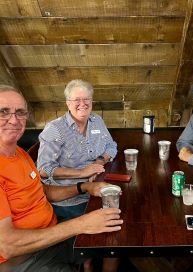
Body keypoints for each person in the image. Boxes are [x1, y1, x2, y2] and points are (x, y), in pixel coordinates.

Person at [0, 85, 123, 271]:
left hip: (52, 236)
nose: (14, 120)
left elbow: (44, 191)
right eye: (3, 112)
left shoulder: (19, 153)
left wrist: (84, 187)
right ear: (67, 103)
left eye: (20, 112)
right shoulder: (54, 129)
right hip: (24, 258)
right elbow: (8, 246)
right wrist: (82, 223)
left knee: (113, 236)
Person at [36, 79, 118, 272]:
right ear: (67, 103)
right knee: (111, 227)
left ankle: (97, 260)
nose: (83, 104)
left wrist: (99, 162)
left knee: (119, 214)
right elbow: (44, 169)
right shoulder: (55, 129)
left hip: (93, 189)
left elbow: (111, 146)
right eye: (77, 100)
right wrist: (81, 172)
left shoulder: (97, 120)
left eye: (87, 99)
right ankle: (87, 262)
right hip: (67, 198)